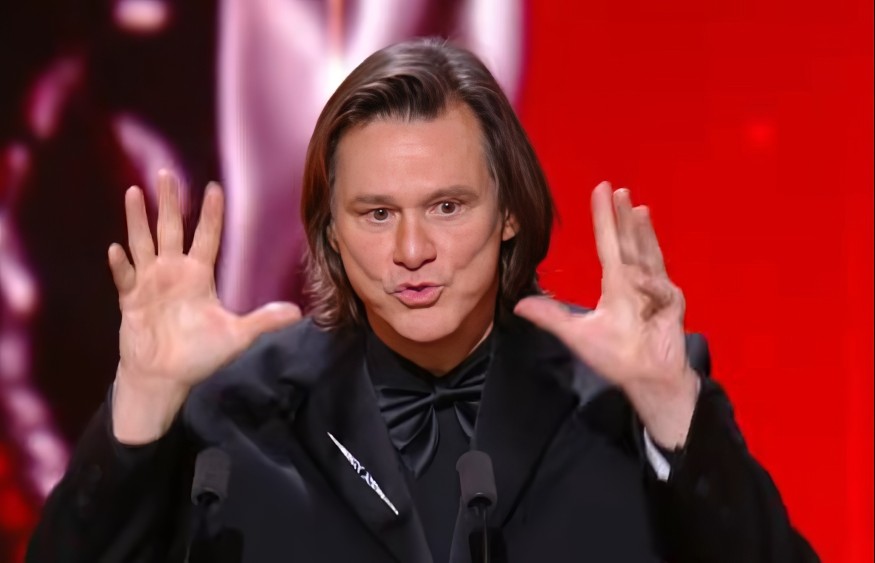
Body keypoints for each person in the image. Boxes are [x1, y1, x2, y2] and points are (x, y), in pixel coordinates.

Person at [26, 38, 818, 562]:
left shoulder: (626, 392)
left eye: (446, 206)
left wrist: (671, 408)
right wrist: (141, 403)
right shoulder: (234, 408)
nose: (411, 251)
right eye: (376, 214)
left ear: (509, 212)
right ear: (330, 231)